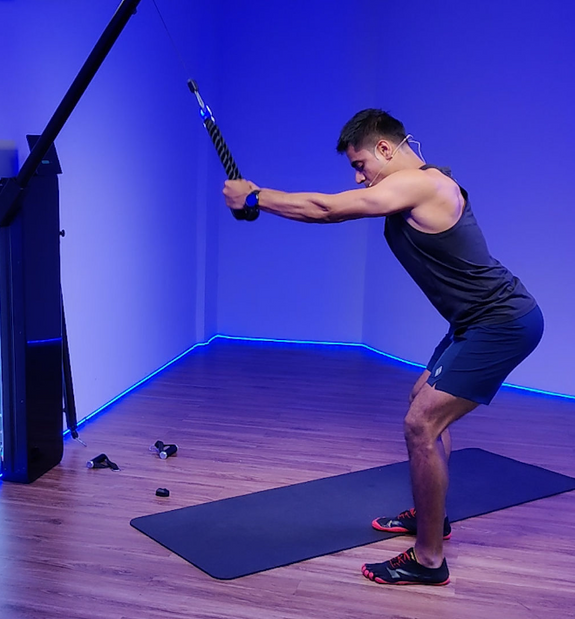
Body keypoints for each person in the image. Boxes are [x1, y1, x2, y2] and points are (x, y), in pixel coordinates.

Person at [222, 109, 543, 586]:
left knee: (420, 426)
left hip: (501, 322)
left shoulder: (421, 184)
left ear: (386, 149)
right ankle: (432, 517)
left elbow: (328, 209)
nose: (358, 176)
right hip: (473, 321)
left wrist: (255, 194)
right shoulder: (412, 186)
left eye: (360, 163)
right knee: (422, 404)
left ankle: (429, 560)